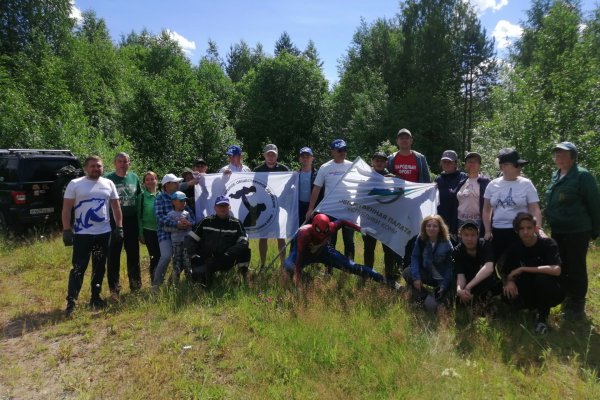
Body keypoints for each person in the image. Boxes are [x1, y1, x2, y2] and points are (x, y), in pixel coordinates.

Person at [61, 155, 123, 317]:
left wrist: (119, 227)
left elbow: (116, 208)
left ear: (103, 168)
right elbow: (66, 209)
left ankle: (95, 297)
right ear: (86, 168)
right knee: (78, 268)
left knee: (99, 266)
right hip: (82, 234)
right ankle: (71, 302)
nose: (96, 168)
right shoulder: (75, 184)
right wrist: (67, 230)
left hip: (103, 234)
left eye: (99, 166)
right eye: (93, 166)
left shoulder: (108, 183)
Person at [545, 142, 600, 321]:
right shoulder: (556, 175)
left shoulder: (583, 176)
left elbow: (595, 204)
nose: (559, 157)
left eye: (563, 154)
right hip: (558, 230)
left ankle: (577, 306)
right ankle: (567, 299)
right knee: (563, 265)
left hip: (577, 230)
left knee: (576, 266)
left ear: (573, 157)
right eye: (557, 154)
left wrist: (595, 230)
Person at [283, 214, 394, 287]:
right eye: (319, 233)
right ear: (313, 228)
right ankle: (307, 280)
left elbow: (342, 221)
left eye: (324, 233)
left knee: (352, 266)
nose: (322, 235)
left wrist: (360, 229)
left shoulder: (331, 227)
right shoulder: (304, 234)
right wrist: (297, 280)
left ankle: (389, 282)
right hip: (303, 253)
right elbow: (299, 259)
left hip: (323, 251)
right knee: (288, 266)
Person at [499, 212, 564, 334]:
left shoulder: (548, 244)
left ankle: (542, 318)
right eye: (521, 228)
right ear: (517, 231)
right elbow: (507, 272)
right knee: (506, 293)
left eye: (529, 228)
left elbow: (557, 270)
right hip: (527, 287)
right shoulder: (515, 248)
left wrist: (524, 269)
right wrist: (510, 282)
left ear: (535, 228)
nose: (525, 231)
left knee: (542, 279)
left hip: (551, 289)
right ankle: (528, 310)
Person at [482, 148, 542, 263]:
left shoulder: (526, 184)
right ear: (503, 166)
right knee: (495, 264)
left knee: (519, 265)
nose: (519, 168)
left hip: (520, 231)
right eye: (516, 165)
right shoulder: (492, 185)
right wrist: (488, 231)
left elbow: (535, 209)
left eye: (520, 165)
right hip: (497, 232)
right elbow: (486, 210)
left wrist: (537, 229)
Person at [184, 195, 251, 284]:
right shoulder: (206, 221)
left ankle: (243, 276)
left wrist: (230, 253)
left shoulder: (236, 223)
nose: (223, 209)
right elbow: (190, 239)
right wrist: (193, 256)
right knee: (201, 283)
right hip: (207, 258)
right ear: (215, 208)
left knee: (245, 251)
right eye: (220, 206)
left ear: (229, 207)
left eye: (225, 206)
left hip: (227, 258)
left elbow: (244, 242)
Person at [306, 139, 355, 259]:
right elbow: (316, 189)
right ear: (332, 151)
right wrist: (310, 209)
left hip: (348, 210)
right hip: (330, 211)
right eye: (339, 150)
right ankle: (329, 269)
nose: (342, 152)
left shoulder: (352, 166)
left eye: (344, 150)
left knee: (349, 241)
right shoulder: (325, 167)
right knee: (329, 241)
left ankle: (349, 268)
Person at [105, 152, 142, 300]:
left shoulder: (134, 177)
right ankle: (114, 290)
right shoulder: (108, 178)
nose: (122, 164)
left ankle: (136, 285)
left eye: (125, 161)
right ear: (115, 163)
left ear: (129, 163)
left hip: (132, 220)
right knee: (113, 255)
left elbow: (139, 197)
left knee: (133, 253)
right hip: (113, 221)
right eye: (120, 161)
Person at [402, 215, 454, 312]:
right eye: (428, 225)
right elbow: (415, 257)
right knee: (407, 272)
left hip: (441, 279)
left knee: (439, 309)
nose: (431, 228)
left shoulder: (446, 243)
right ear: (424, 227)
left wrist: (444, 285)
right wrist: (416, 277)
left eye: (435, 226)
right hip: (427, 274)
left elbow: (450, 267)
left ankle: (434, 296)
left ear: (440, 228)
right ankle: (425, 295)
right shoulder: (420, 239)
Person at [362, 151, 398, 281]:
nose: (379, 163)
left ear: (386, 163)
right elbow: (359, 198)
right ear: (372, 162)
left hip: (386, 220)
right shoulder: (365, 178)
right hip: (369, 220)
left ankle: (389, 278)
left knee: (388, 250)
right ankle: (367, 275)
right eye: (376, 160)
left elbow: (399, 198)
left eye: (382, 161)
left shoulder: (393, 178)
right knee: (369, 249)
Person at [152, 173, 193, 288]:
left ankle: (171, 282)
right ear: (167, 185)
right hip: (164, 233)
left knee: (184, 256)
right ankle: (156, 285)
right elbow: (160, 217)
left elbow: (190, 214)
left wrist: (189, 222)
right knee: (166, 256)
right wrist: (177, 224)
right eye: (175, 182)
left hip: (182, 232)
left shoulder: (181, 196)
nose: (178, 184)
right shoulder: (159, 198)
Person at [254, 144, 289, 268]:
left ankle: (283, 264)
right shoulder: (257, 170)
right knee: (263, 237)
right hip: (263, 208)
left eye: (273, 154)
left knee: (281, 236)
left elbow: (289, 187)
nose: (270, 156)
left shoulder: (285, 170)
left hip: (279, 208)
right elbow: (255, 188)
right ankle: (263, 264)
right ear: (264, 155)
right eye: (268, 154)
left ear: (277, 155)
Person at [454, 221, 501, 305]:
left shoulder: (485, 245)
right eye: (466, 235)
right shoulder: (457, 251)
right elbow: (460, 275)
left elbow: (489, 268)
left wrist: (468, 287)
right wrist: (459, 290)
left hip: (487, 282)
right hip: (469, 284)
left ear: (478, 235)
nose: (469, 239)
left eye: (473, 235)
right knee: (460, 302)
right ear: (460, 236)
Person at [163, 191, 195, 285]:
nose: (183, 203)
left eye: (184, 201)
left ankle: (189, 283)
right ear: (173, 202)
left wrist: (188, 224)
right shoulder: (170, 215)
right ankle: (175, 284)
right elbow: (165, 228)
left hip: (186, 242)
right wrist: (177, 226)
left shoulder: (187, 213)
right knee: (176, 263)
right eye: (180, 201)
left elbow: (193, 224)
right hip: (176, 243)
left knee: (188, 262)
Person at [456, 152, 490, 232]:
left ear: (479, 165)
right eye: (469, 161)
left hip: (479, 222)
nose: (472, 163)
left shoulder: (485, 182)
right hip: (461, 221)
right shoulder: (461, 182)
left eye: (475, 161)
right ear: (465, 165)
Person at [435, 150, 467, 236]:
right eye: (444, 162)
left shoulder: (463, 177)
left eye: (450, 162)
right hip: (442, 222)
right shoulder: (438, 180)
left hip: (459, 221)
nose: (447, 164)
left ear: (456, 164)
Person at [138, 171, 161, 281]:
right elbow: (139, 216)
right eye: (147, 179)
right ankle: (154, 281)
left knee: (163, 256)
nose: (150, 181)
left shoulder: (162, 195)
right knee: (154, 256)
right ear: (144, 183)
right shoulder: (141, 197)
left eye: (152, 179)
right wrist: (140, 233)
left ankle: (160, 278)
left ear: (157, 180)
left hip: (162, 231)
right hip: (148, 231)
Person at [297, 147, 319, 227]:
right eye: (303, 157)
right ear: (299, 159)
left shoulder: (318, 175)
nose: (305, 159)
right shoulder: (295, 175)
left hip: (314, 207)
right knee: (300, 231)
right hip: (299, 206)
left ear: (312, 158)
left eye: (308, 156)